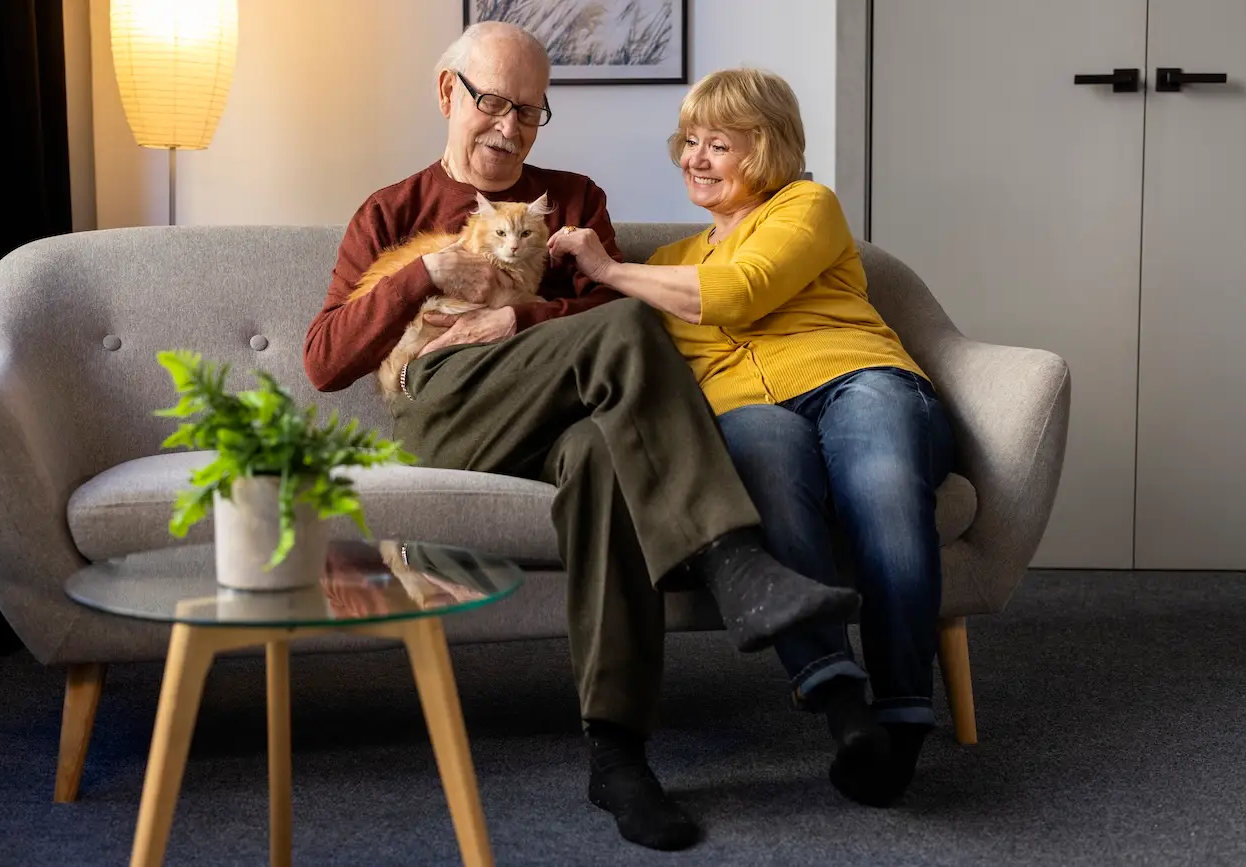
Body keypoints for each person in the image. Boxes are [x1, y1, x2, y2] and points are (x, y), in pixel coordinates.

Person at [303, 27, 860, 850]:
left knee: (605, 454)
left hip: (564, 419)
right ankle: (734, 561)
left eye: (530, 110)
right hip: (452, 404)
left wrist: (519, 312)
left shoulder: (571, 197)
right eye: (492, 101)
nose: (509, 125)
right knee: (632, 324)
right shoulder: (392, 211)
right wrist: (422, 277)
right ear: (447, 92)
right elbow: (323, 362)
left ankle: (618, 753)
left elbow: (606, 310)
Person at [548, 67, 957, 808]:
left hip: (855, 377)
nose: (694, 160)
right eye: (689, 143)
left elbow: (739, 293)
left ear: (764, 149)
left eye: (718, 145)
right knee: (766, 491)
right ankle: (842, 706)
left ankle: (904, 714)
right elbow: (579, 324)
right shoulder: (667, 261)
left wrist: (610, 266)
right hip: (749, 409)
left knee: (883, 486)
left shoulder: (808, 205)